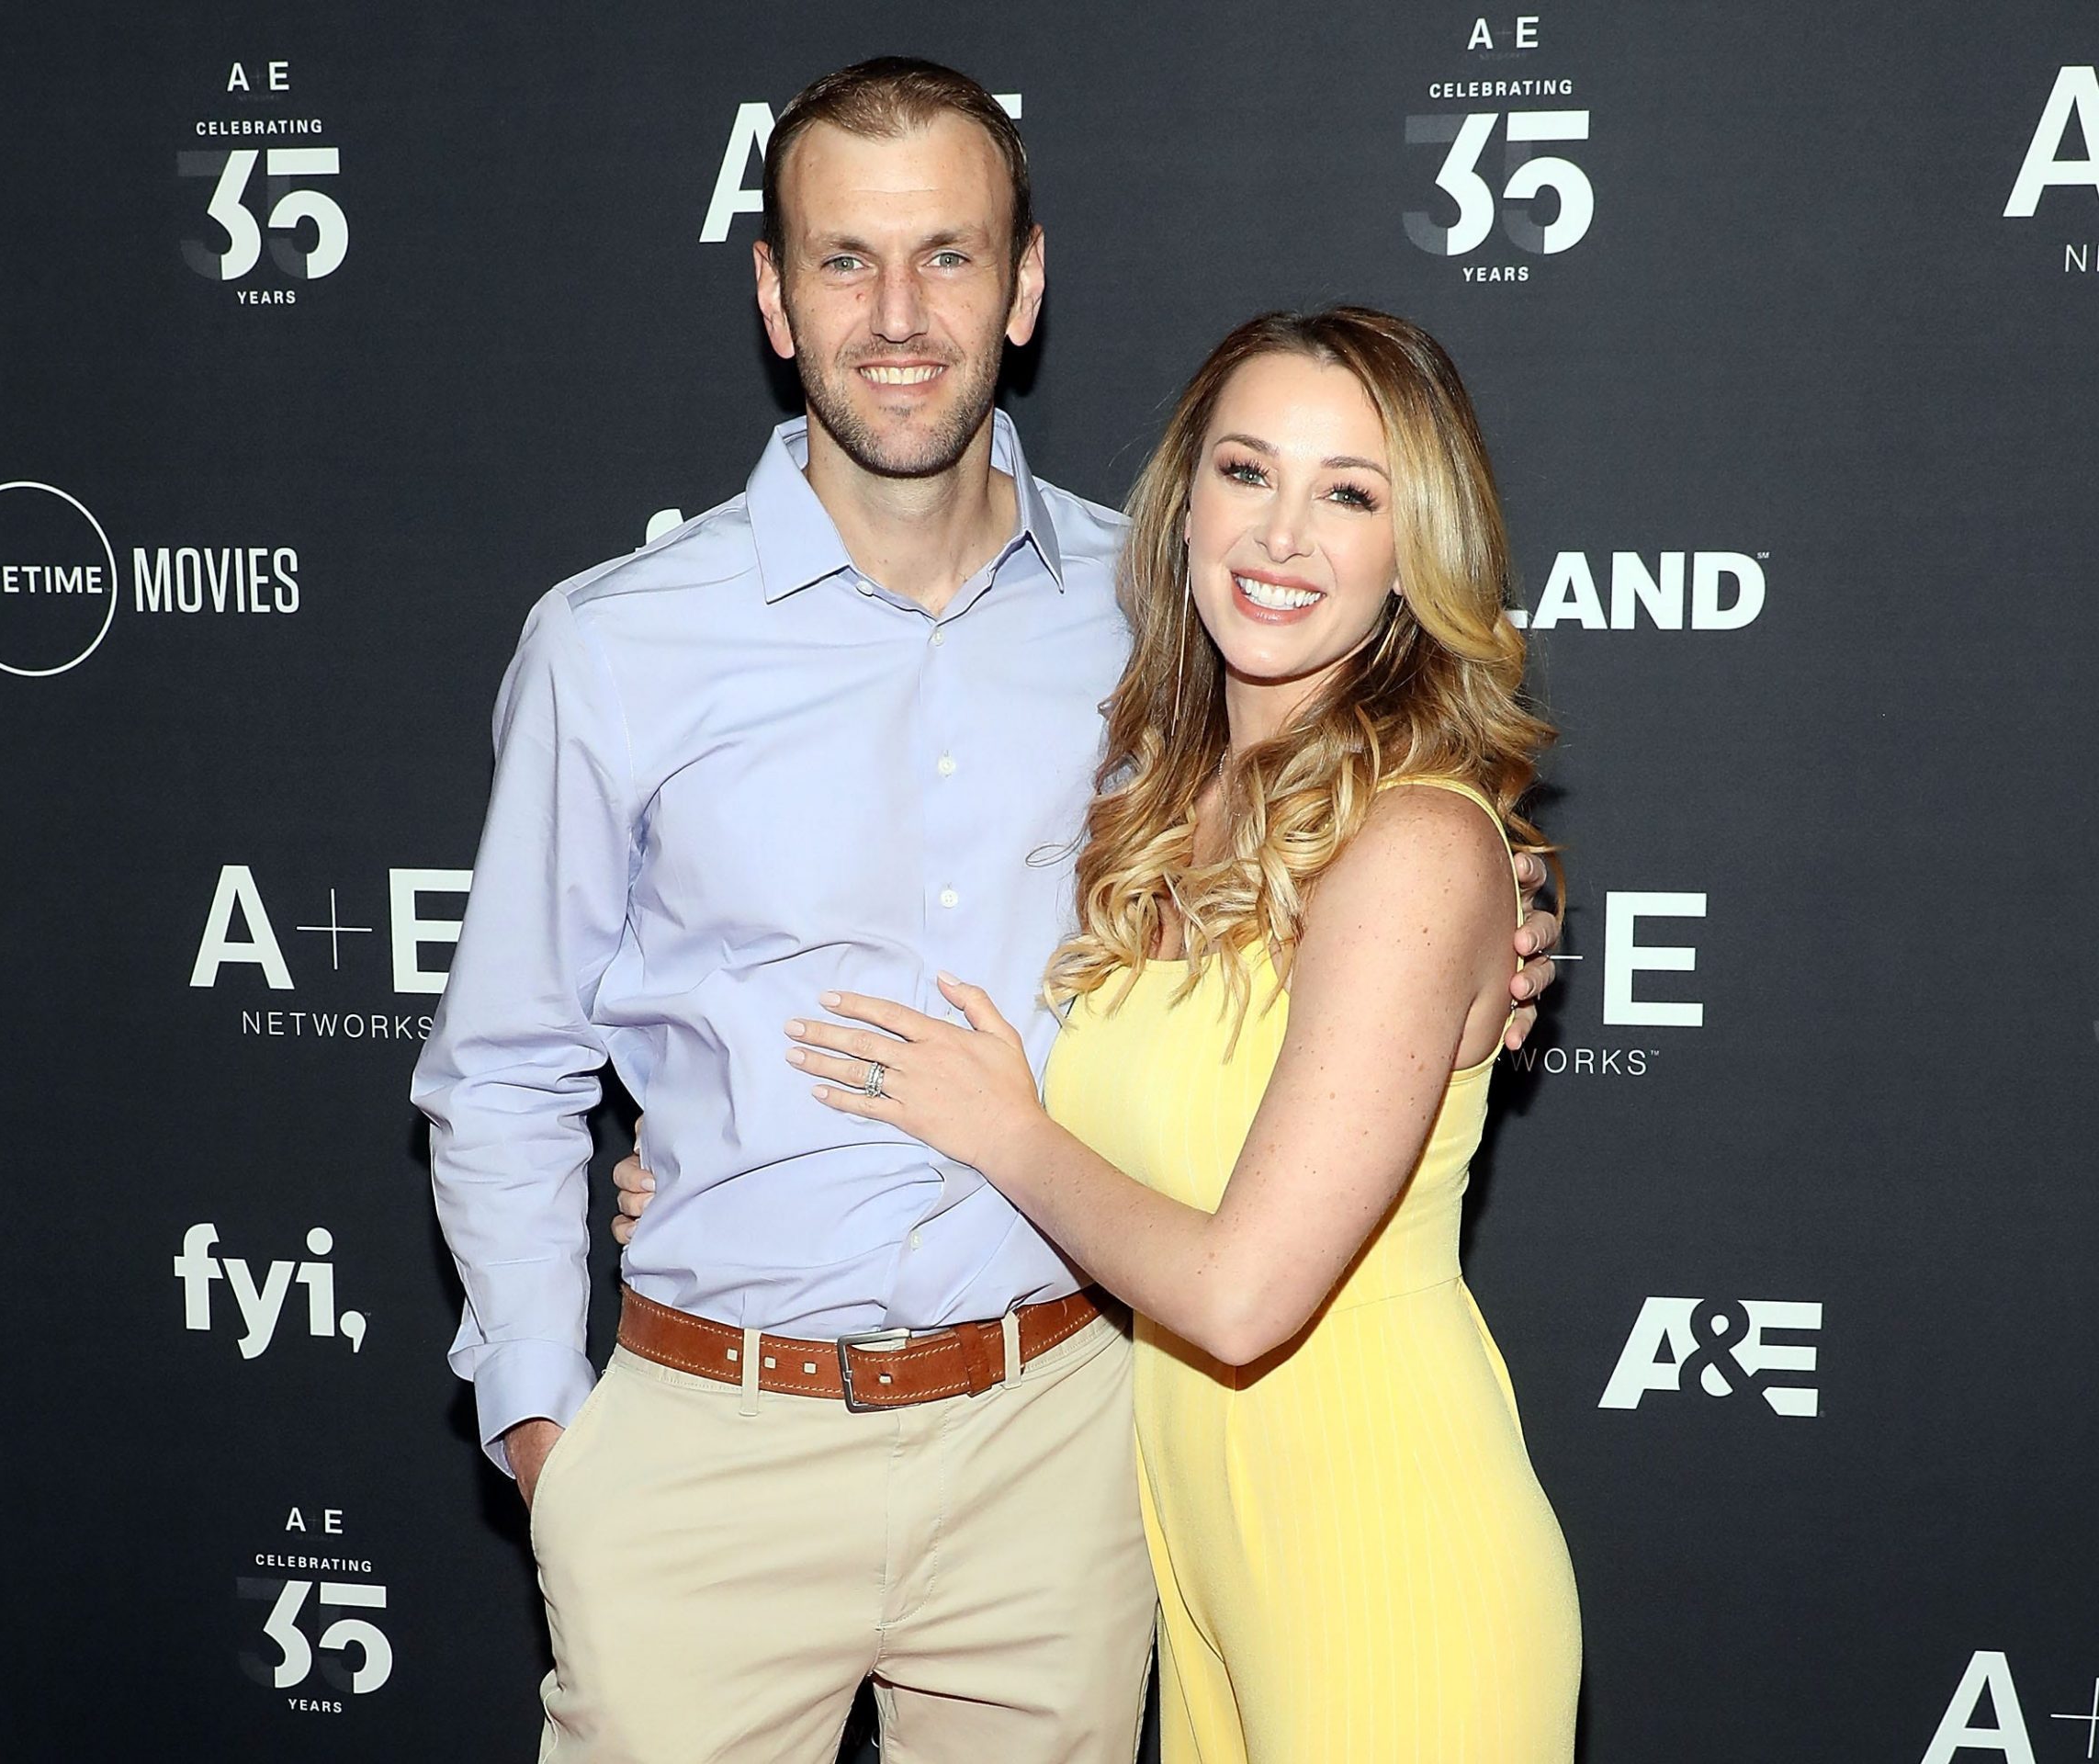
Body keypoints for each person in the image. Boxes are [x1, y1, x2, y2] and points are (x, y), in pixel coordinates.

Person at [417, 55, 1558, 1763]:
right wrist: (542, 1433)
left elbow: (1363, 839)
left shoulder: (1156, 614)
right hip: (710, 1453)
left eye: (947, 255)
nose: (897, 314)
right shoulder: (612, 645)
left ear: (1023, 287)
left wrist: (1493, 900)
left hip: (1063, 1460)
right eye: (844, 260)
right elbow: (503, 1064)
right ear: (772, 292)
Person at [772, 308, 1584, 1760]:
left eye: (1351, 492)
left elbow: (1242, 1293)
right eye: (1246, 471)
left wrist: (1005, 1131)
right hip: (1204, 1554)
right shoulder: (1163, 798)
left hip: (1382, 1544)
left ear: (1418, 547)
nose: (1283, 535)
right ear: (1184, 503)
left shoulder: (1413, 843)